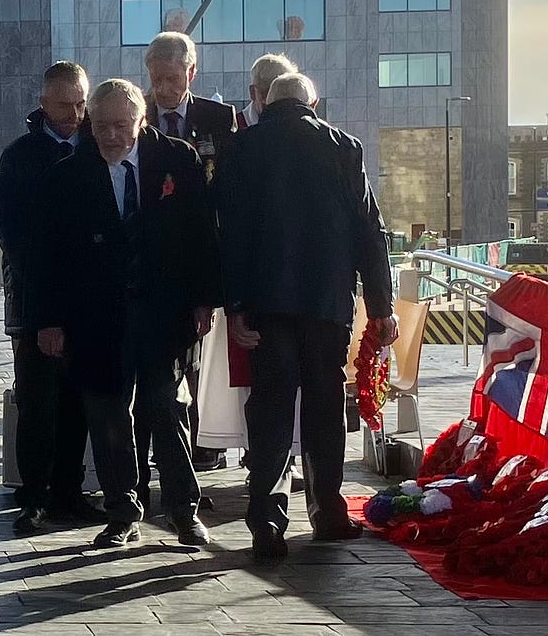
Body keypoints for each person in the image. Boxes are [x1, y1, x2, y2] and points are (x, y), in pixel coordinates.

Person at [33, 79, 221, 548]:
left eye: (120, 125)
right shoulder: (66, 175)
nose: (111, 136)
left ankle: (184, 511)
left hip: (163, 314)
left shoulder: (178, 160)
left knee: (166, 409)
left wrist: (204, 299)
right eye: (100, 127)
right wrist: (49, 320)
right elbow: (47, 256)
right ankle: (122, 512)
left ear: (141, 121)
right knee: (109, 418)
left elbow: (202, 236)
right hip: (96, 319)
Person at [219, 73, 397, 564]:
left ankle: (267, 522)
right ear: (314, 103)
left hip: (266, 306)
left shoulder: (242, 148)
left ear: (266, 102)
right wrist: (380, 307)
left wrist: (234, 306)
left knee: (271, 409)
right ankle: (328, 514)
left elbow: (229, 234)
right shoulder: (344, 148)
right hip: (327, 305)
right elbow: (370, 232)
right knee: (324, 407)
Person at [0, 61, 102, 533]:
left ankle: (68, 490)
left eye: (81, 102)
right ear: (43, 104)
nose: (75, 114)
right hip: (35, 300)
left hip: (88, 301)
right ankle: (33, 493)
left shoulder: (99, 148)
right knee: (37, 400)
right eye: (64, 105)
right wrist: (43, 312)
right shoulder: (20, 156)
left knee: (78, 398)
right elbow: (14, 240)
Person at [197, 54, 304, 478]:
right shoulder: (233, 135)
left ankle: (281, 459)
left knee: (284, 380)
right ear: (256, 94)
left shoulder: (304, 136)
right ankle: (251, 454)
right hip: (245, 277)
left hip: (288, 278)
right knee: (244, 376)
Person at [144, 31, 238, 476]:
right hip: (155, 265)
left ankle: (206, 445)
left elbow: (233, 189)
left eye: (171, 78)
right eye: (156, 78)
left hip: (208, 256)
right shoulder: (132, 114)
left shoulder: (221, 119)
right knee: (163, 373)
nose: (163, 88)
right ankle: (164, 453)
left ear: (191, 71)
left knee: (205, 365)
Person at [237, 53, 297, 130]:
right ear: (253, 93)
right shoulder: (233, 129)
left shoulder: (300, 127)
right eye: (268, 93)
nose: (275, 102)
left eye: (284, 93)